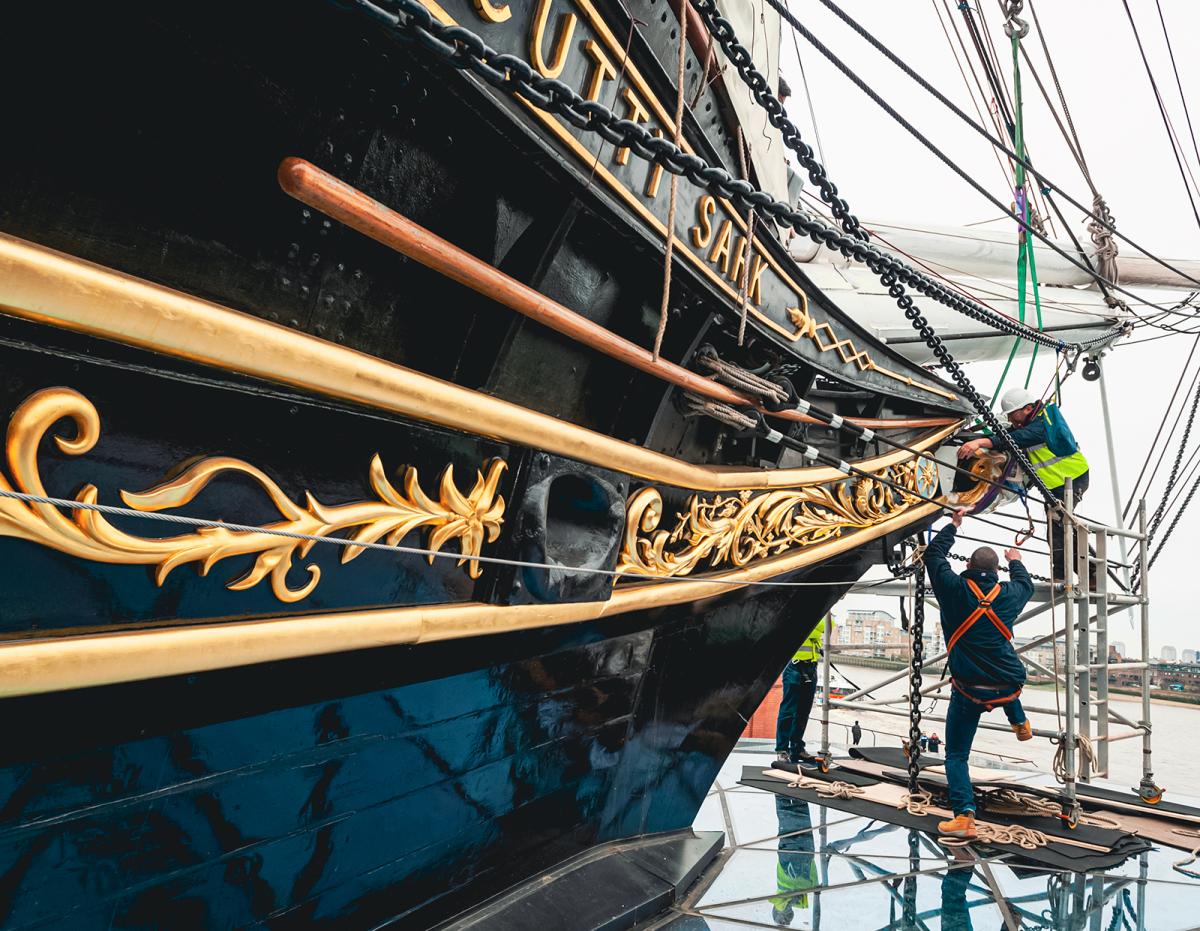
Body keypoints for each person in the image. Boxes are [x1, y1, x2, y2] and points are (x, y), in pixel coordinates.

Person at [925, 508, 1035, 840]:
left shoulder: (953, 588)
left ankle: (964, 817)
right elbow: (1026, 584)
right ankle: (1020, 722)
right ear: (997, 571)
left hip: (970, 688)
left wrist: (953, 525)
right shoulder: (1010, 594)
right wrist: (1015, 558)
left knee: (957, 755)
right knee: (1009, 682)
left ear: (968, 567)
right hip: (1007, 682)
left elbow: (933, 555)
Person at [957, 386, 1089, 581]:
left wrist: (980, 443)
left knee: (1058, 528)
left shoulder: (1042, 423)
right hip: (1058, 483)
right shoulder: (1032, 422)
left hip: (1071, 479)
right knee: (1062, 526)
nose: (1010, 419)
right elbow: (1011, 432)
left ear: (1027, 409)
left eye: (1012, 414)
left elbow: (1017, 439)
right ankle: (1088, 571)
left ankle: (1063, 576)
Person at [775, 616, 830, 764]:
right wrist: (815, 628)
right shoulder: (798, 610)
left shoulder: (821, 611)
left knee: (804, 711)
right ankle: (782, 750)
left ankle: (796, 747)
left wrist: (814, 627)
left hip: (811, 667)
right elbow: (800, 627)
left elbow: (828, 625)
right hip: (794, 666)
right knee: (788, 711)